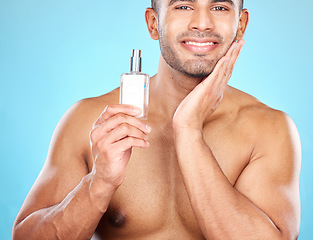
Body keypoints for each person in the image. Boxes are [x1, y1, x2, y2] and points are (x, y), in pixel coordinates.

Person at [12, 0, 301, 239]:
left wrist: (188, 130)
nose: (202, 23)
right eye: (183, 7)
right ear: (153, 24)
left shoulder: (270, 130)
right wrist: (98, 183)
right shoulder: (90, 122)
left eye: (220, 7)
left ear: (241, 24)